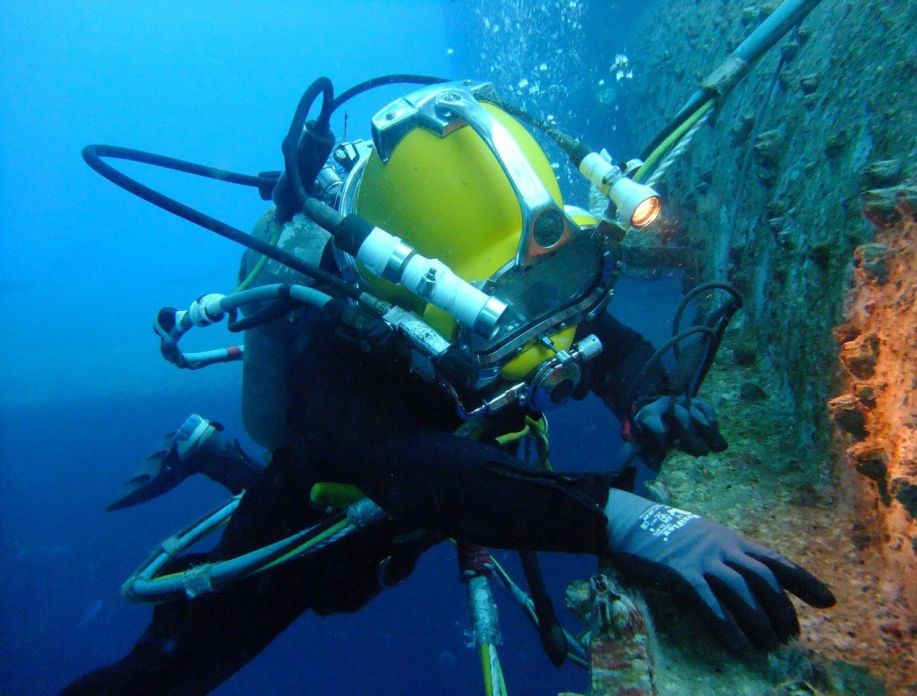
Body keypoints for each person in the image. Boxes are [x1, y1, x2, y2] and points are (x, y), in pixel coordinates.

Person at [62, 79, 835, 695]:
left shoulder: (516, 271)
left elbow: (602, 339)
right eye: (501, 308)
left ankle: (209, 452)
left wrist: (648, 397)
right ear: (422, 310)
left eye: (551, 276)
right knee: (196, 659)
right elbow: (434, 478)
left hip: (453, 458)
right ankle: (212, 457)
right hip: (341, 482)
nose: (540, 323)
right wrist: (630, 521)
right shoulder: (335, 363)